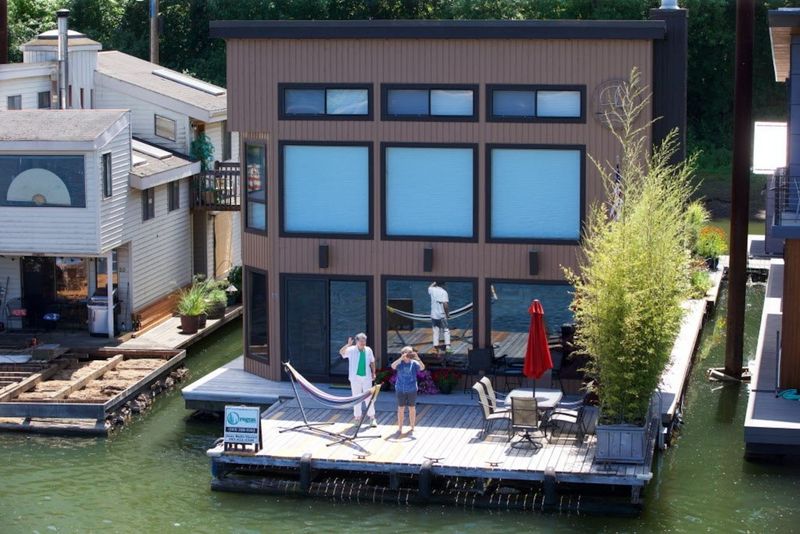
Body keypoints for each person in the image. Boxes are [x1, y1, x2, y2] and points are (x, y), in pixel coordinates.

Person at [339, 333, 377, 427]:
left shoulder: (368, 350)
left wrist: (373, 372)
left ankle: (372, 418)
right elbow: (341, 352)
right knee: (356, 398)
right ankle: (357, 418)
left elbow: (372, 361)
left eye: (364, 341)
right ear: (357, 341)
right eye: (361, 341)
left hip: (367, 377)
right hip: (355, 378)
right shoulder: (351, 350)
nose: (363, 343)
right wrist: (347, 345)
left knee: (368, 398)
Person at [390, 346, 425, 434]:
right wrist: (401, 358)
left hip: (412, 388)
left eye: (410, 352)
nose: (409, 354)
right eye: (407, 352)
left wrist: (418, 358)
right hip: (400, 388)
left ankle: (412, 427)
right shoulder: (400, 363)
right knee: (400, 408)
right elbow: (393, 366)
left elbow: (422, 368)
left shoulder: (414, 363)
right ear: (403, 353)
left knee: (412, 408)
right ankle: (400, 428)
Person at [428, 281, 450, 352]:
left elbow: (429, 287)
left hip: (434, 314)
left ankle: (436, 346)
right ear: (443, 284)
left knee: (435, 330)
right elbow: (445, 304)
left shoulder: (432, 290)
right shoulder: (444, 292)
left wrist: (434, 282)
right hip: (442, 314)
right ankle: (447, 346)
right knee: (446, 329)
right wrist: (447, 314)